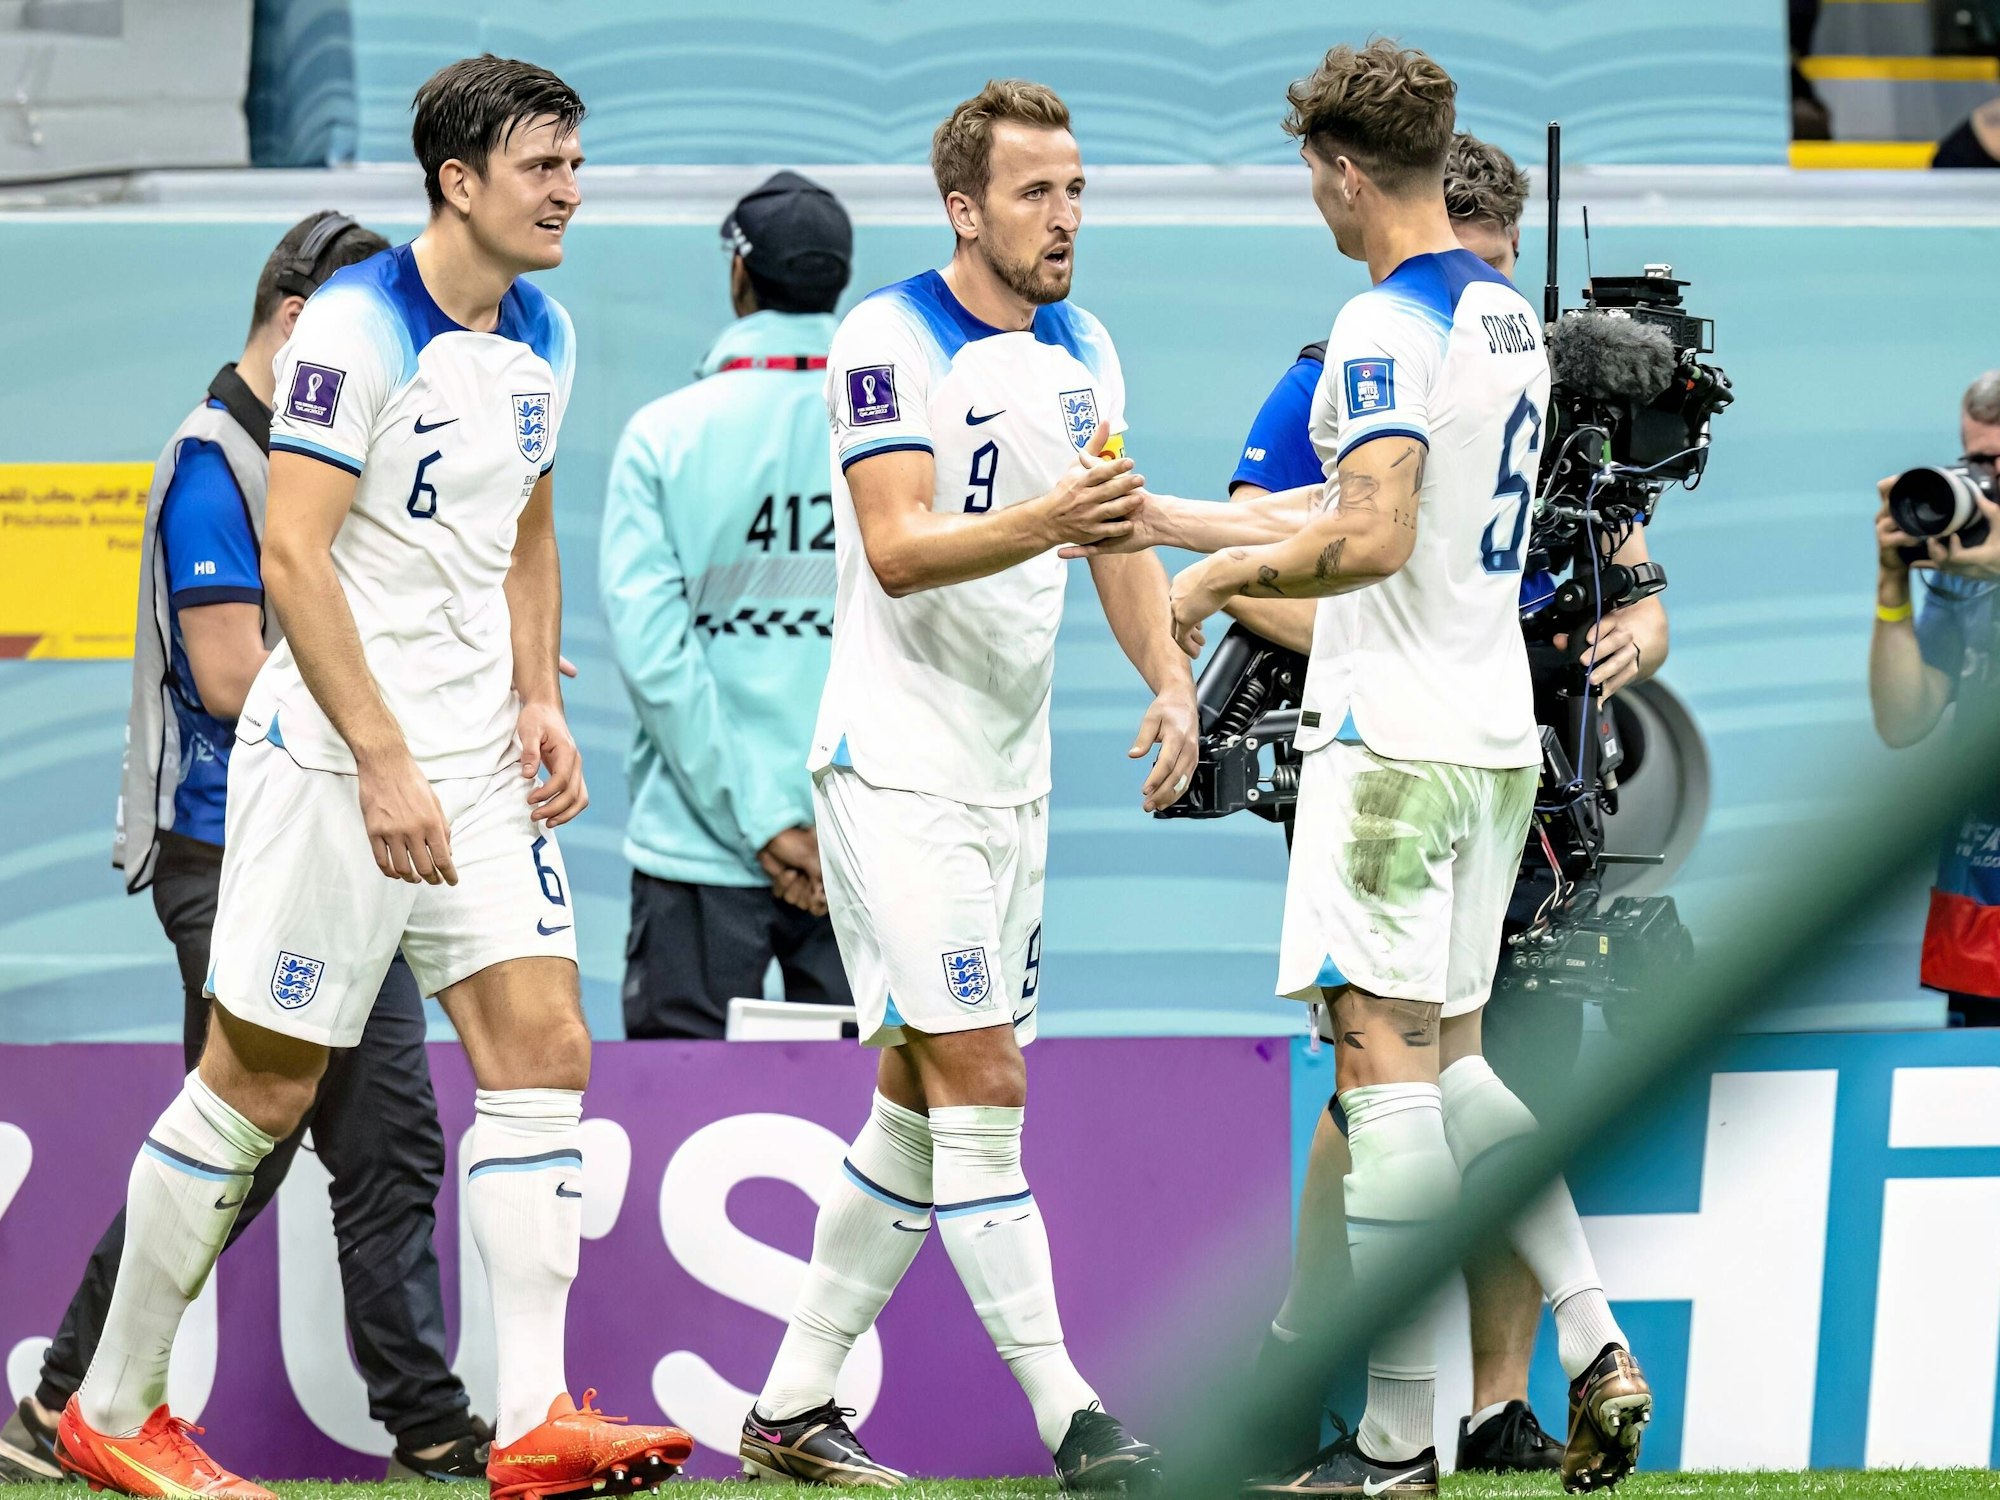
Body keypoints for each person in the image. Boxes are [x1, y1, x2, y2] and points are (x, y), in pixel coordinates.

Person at [51, 55, 692, 1500]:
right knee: (258, 1087)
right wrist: (387, 759)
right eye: (544, 167)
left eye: (576, 163)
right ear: (458, 181)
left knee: (543, 1053)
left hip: (472, 762)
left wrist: (537, 689)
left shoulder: (548, 332)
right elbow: (292, 555)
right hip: (334, 760)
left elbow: (527, 525)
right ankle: (109, 1402)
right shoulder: (355, 322)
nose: (571, 191)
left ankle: (532, 1421)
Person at [1100, 42, 1651, 1495]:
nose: (1318, 207)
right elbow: (1375, 503)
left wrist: (1210, 590)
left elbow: (1376, 532)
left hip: (1389, 742)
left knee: (1380, 1073)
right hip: (1489, 742)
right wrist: (1175, 513)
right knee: (1457, 1065)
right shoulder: (1509, 321)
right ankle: (1593, 1334)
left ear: (1344, 172)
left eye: (1313, 181)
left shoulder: (1374, 327)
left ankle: (1404, 1444)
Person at [736, 79, 1197, 1490]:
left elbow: (1116, 539)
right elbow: (896, 544)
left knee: (923, 1099)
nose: (1064, 219)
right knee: (983, 1080)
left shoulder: (1086, 349)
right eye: (1035, 194)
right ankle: (1076, 1423)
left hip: (1012, 777)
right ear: (964, 207)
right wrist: (1047, 517)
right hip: (898, 769)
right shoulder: (889, 338)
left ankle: (791, 1411)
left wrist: (1169, 673)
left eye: (1075, 191)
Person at [0, 212, 503, 1490]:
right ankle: (78, 1398)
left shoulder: (336, 452)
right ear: (295, 320)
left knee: (360, 1134)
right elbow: (230, 680)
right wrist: (405, 697)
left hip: (342, 828)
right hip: (227, 847)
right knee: (250, 1132)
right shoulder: (214, 457)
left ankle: (426, 1423)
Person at [600, 170, 857, 1040]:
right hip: (860, 840)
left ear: (738, 277)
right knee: (877, 1129)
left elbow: (657, 662)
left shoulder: (663, 437)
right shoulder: (907, 432)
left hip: (697, 847)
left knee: (684, 1118)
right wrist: (814, 822)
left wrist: (758, 821)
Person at [1870, 370, 2000, 1025]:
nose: (1987, 482)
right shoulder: (1969, 576)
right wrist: (1892, 588)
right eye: (1977, 462)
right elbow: (1904, 719)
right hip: (1984, 919)